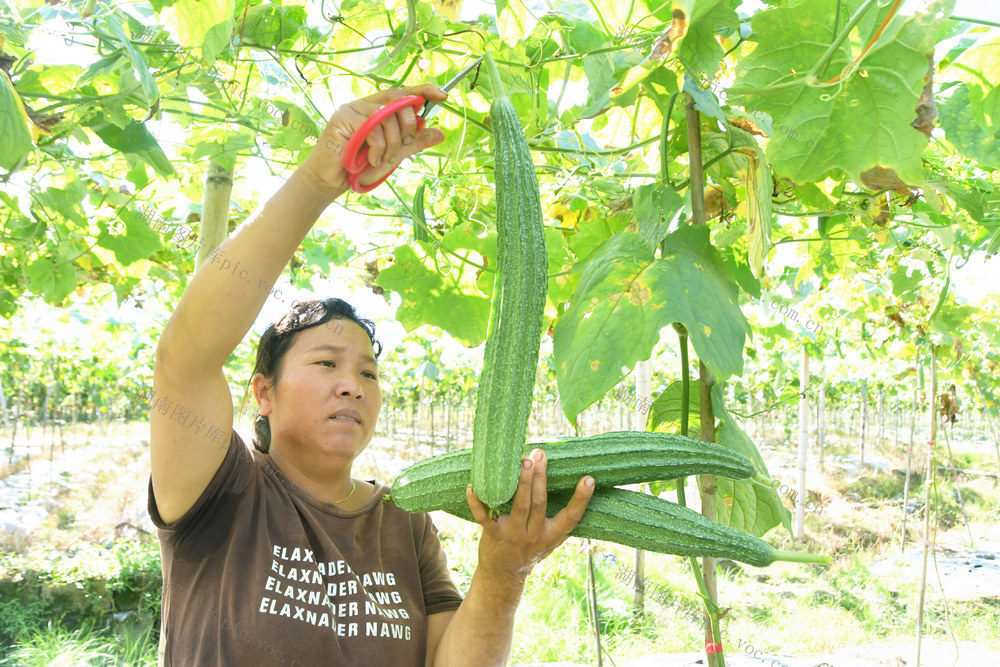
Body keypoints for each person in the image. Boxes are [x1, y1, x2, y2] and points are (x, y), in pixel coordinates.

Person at [148, 83, 596, 666]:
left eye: (369, 372)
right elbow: (185, 359)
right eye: (326, 363)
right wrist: (315, 181)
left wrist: (504, 570)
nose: (352, 385)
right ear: (264, 393)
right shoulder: (223, 490)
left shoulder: (402, 521)